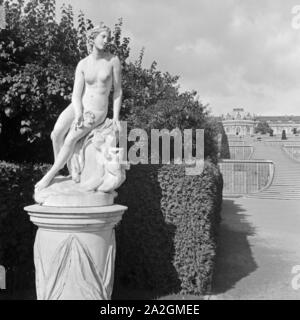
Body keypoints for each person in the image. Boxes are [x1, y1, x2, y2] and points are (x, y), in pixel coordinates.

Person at [35, 23, 122, 191]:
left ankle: (50, 175)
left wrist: (116, 117)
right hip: (79, 106)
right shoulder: (82, 64)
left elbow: (117, 91)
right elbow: (76, 94)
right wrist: (78, 113)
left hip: (96, 110)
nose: (106, 40)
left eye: (108, 38)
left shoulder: (113, 61)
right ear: (93, 38)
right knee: (56, 134)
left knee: (69, 139)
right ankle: (67, 167)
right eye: (103, 37)